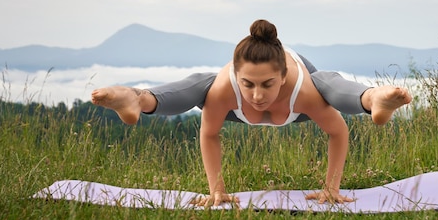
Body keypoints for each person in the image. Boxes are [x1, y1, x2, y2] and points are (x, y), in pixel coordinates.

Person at [91, 19, 412, 206]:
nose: (257, 95)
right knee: (196, 85)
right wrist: (216, 190)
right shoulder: (223, 89)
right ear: (235, 75)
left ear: (283, 76)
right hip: (232, 106)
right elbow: (210, 134)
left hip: (297, 104)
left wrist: (332, 188)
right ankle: (135, 97)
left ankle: (374, 98)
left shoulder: (303, 89)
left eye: (267, 84)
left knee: (327, 82)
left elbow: (337, 131)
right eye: (247, 84)